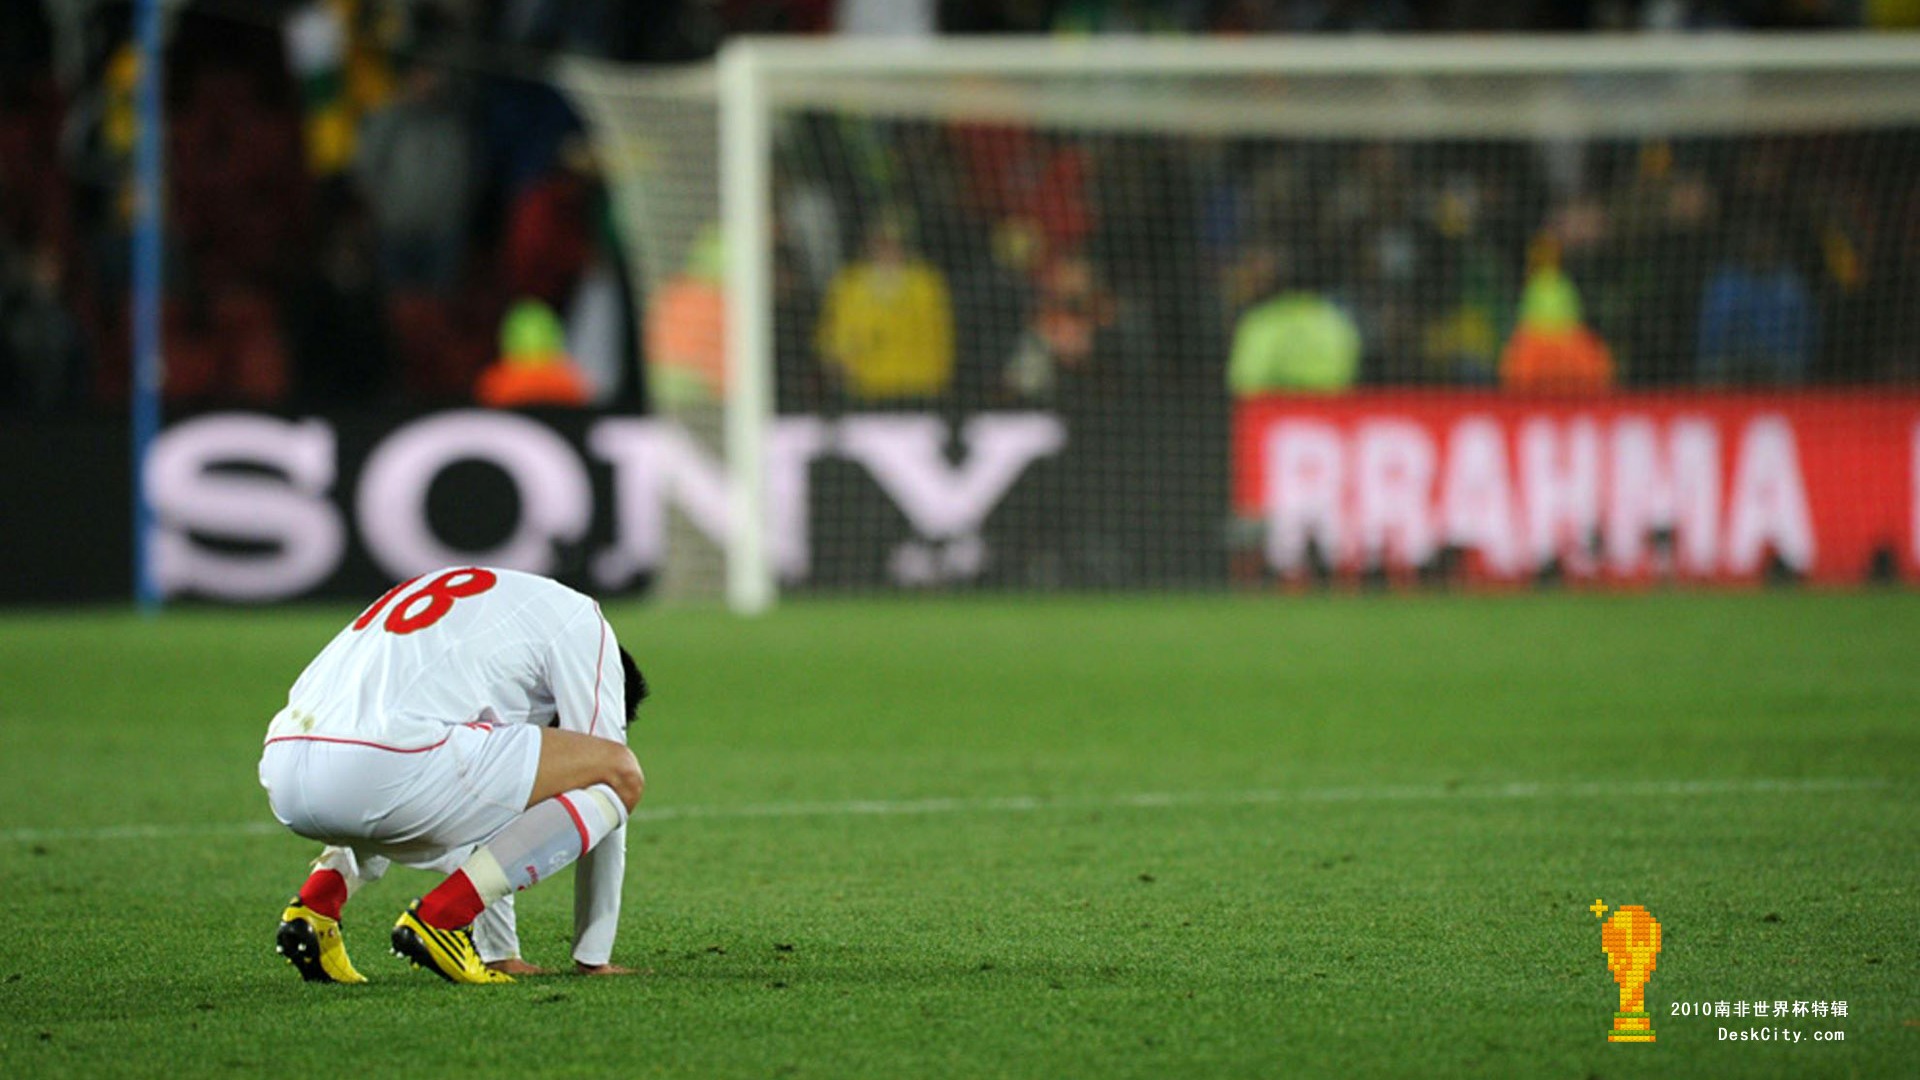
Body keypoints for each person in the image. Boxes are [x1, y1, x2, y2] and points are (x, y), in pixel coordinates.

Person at [258, 567, 647, 985]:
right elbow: (608, 766)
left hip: (283, 764)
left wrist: (501, 954)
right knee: (617, 773)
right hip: (383, 767)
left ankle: (316, 906)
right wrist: (594, 955)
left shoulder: (487, 607)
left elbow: (488, 796)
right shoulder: (583, 622)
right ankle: (442, 919)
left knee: (450, 763)